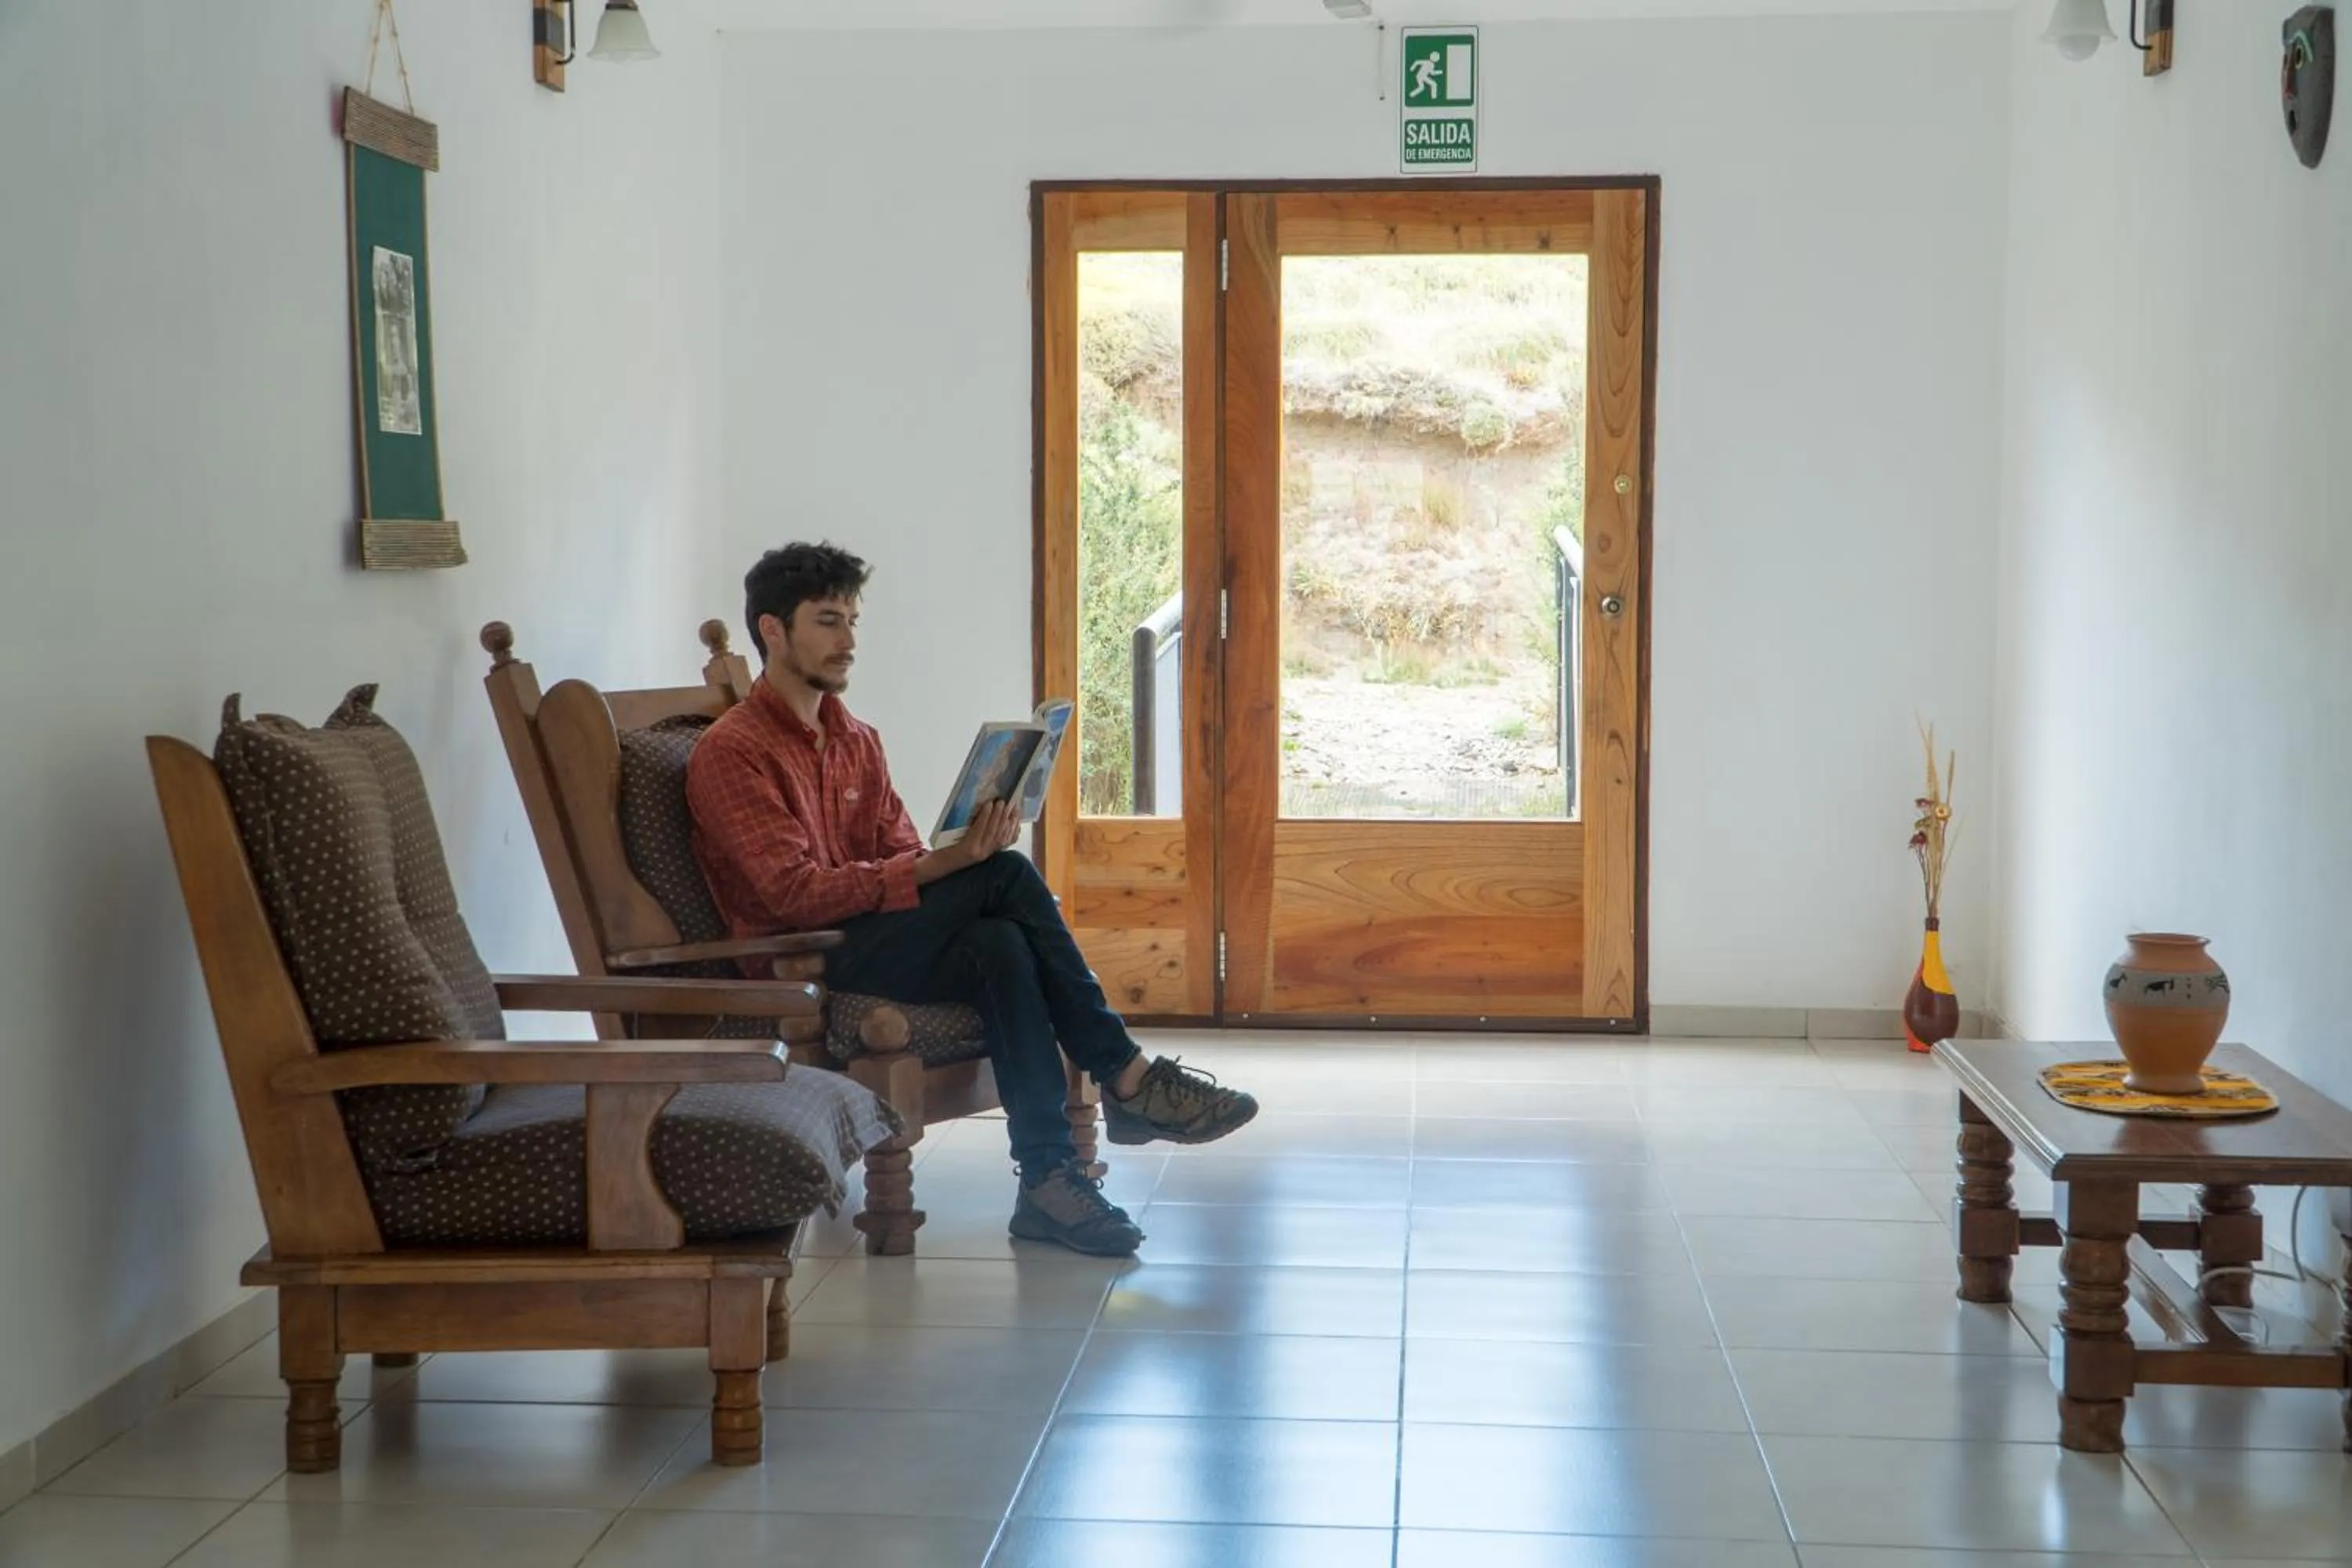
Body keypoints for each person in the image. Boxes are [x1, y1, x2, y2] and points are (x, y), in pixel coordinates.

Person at [686, 542, 1261, 1257]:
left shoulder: (857, 740)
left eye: (854, 621)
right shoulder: (733, 751)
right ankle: (1125, 1075)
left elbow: (896, 847)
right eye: (829, 621)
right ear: (772, 630)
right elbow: (791, 894)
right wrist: (947, 868)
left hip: (878, 938)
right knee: (1007, 878)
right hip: (804, 963)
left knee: (1002, 940)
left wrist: (959, 845)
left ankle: (1049, 1181)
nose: (850, 641)